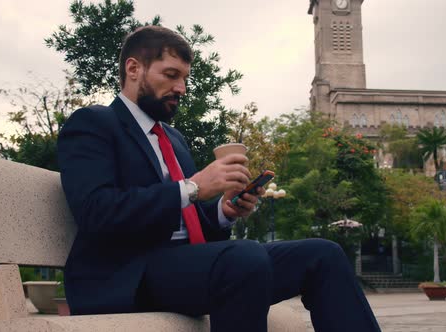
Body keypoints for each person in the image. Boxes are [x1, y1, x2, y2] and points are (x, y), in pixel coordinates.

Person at [57, 25, 380, 332]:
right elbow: (96, 211)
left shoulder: (174, 140)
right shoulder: (94, 123)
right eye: (171, 75)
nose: (181, 88)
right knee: (244, 257)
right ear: (133, 69)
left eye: (184, 78)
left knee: (323, 254)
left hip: (186, 269)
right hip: (126, 274)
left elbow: (192, 227)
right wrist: (193, 187)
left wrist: (224, 212)